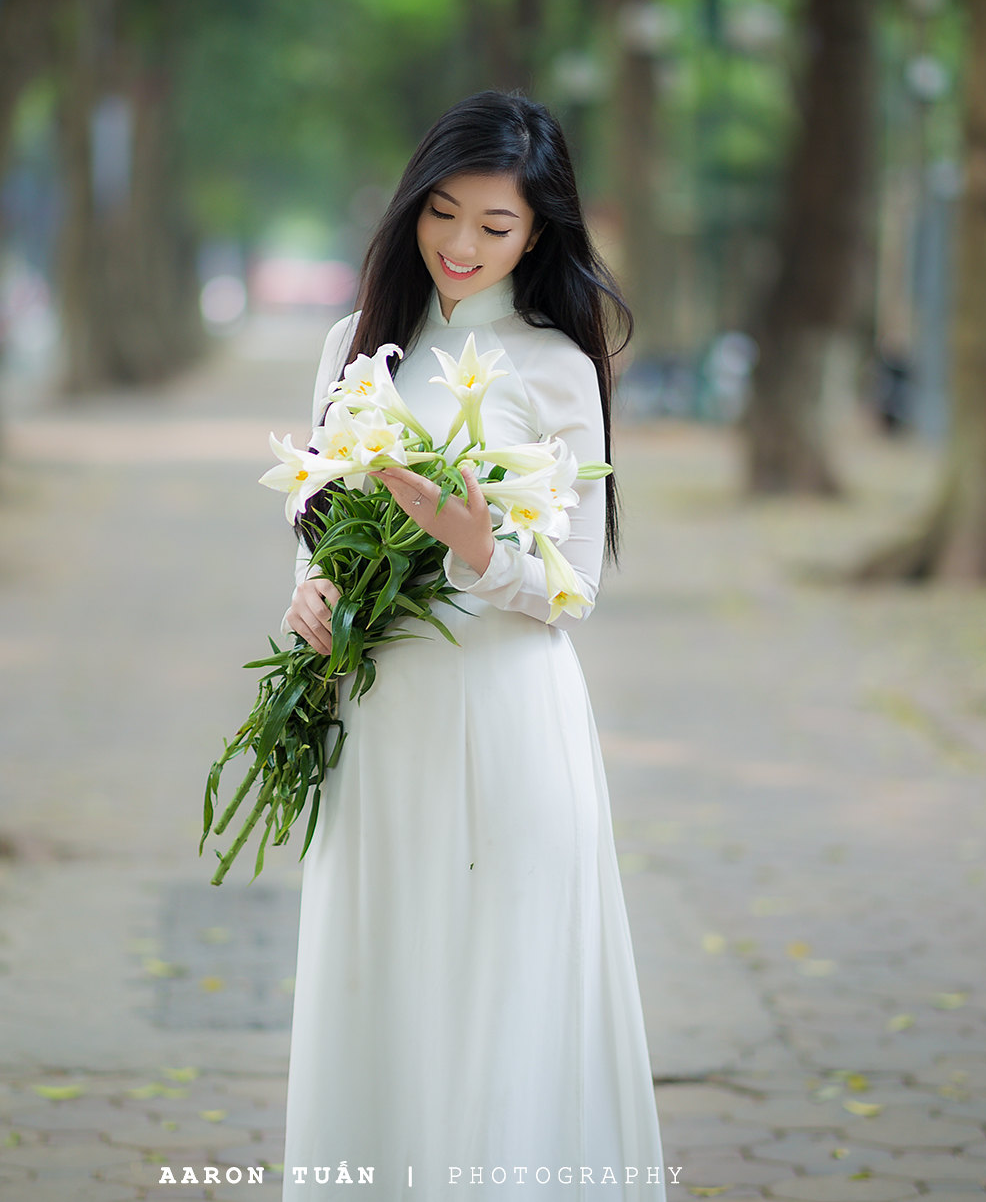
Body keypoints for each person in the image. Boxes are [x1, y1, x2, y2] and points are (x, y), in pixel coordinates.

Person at [280, 92, 666, 1198]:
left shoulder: (552, 367)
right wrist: (308, 600)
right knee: (384, 988)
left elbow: (571, 586)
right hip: (381, 721)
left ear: (538, 231)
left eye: (493, 227)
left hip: (507, 725)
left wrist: (468, 546)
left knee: (502, 998)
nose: (458, 247)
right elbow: (314, 524)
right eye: (440, 214)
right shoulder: (352, 348)